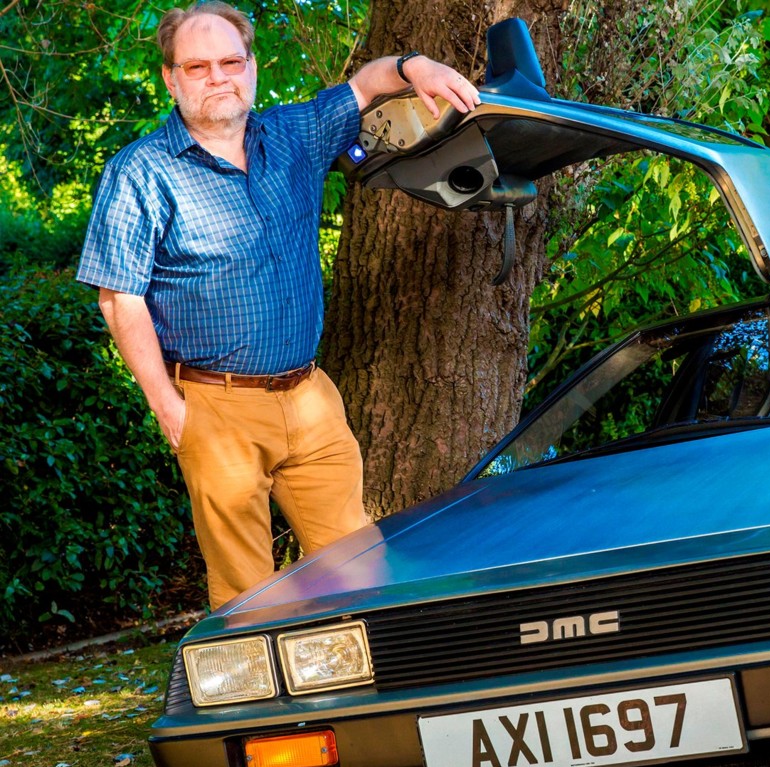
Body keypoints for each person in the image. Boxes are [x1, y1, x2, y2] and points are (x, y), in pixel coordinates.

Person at [75, 1, 481, 610]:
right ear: (171, 78)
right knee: (249, 596)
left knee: (361, 572)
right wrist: (167, 406)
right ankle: (261, 677)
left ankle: (357, 672)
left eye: (230, 62)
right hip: (216, 408)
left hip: (310, 399)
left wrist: (416, 67)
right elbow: (119, 297)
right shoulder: (140, 172)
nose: (217, 77)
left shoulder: (295, 135)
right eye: (197, 66)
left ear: (253, 67)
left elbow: (367, 85)